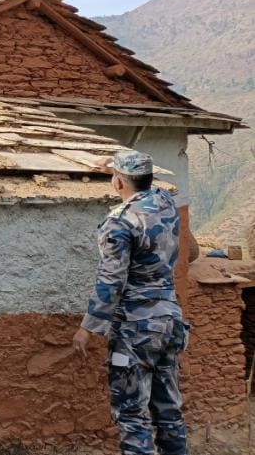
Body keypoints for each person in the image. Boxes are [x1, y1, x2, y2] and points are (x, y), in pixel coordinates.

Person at [73, 151, 190, 455]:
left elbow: (111, 280)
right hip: (170, 323)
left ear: (117, 182)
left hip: (136, 329)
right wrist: (115, 168)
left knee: (132, 414)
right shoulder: (165, 203)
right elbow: (145, 181)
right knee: (169, 412)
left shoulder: (119, 223)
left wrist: (88, 328)